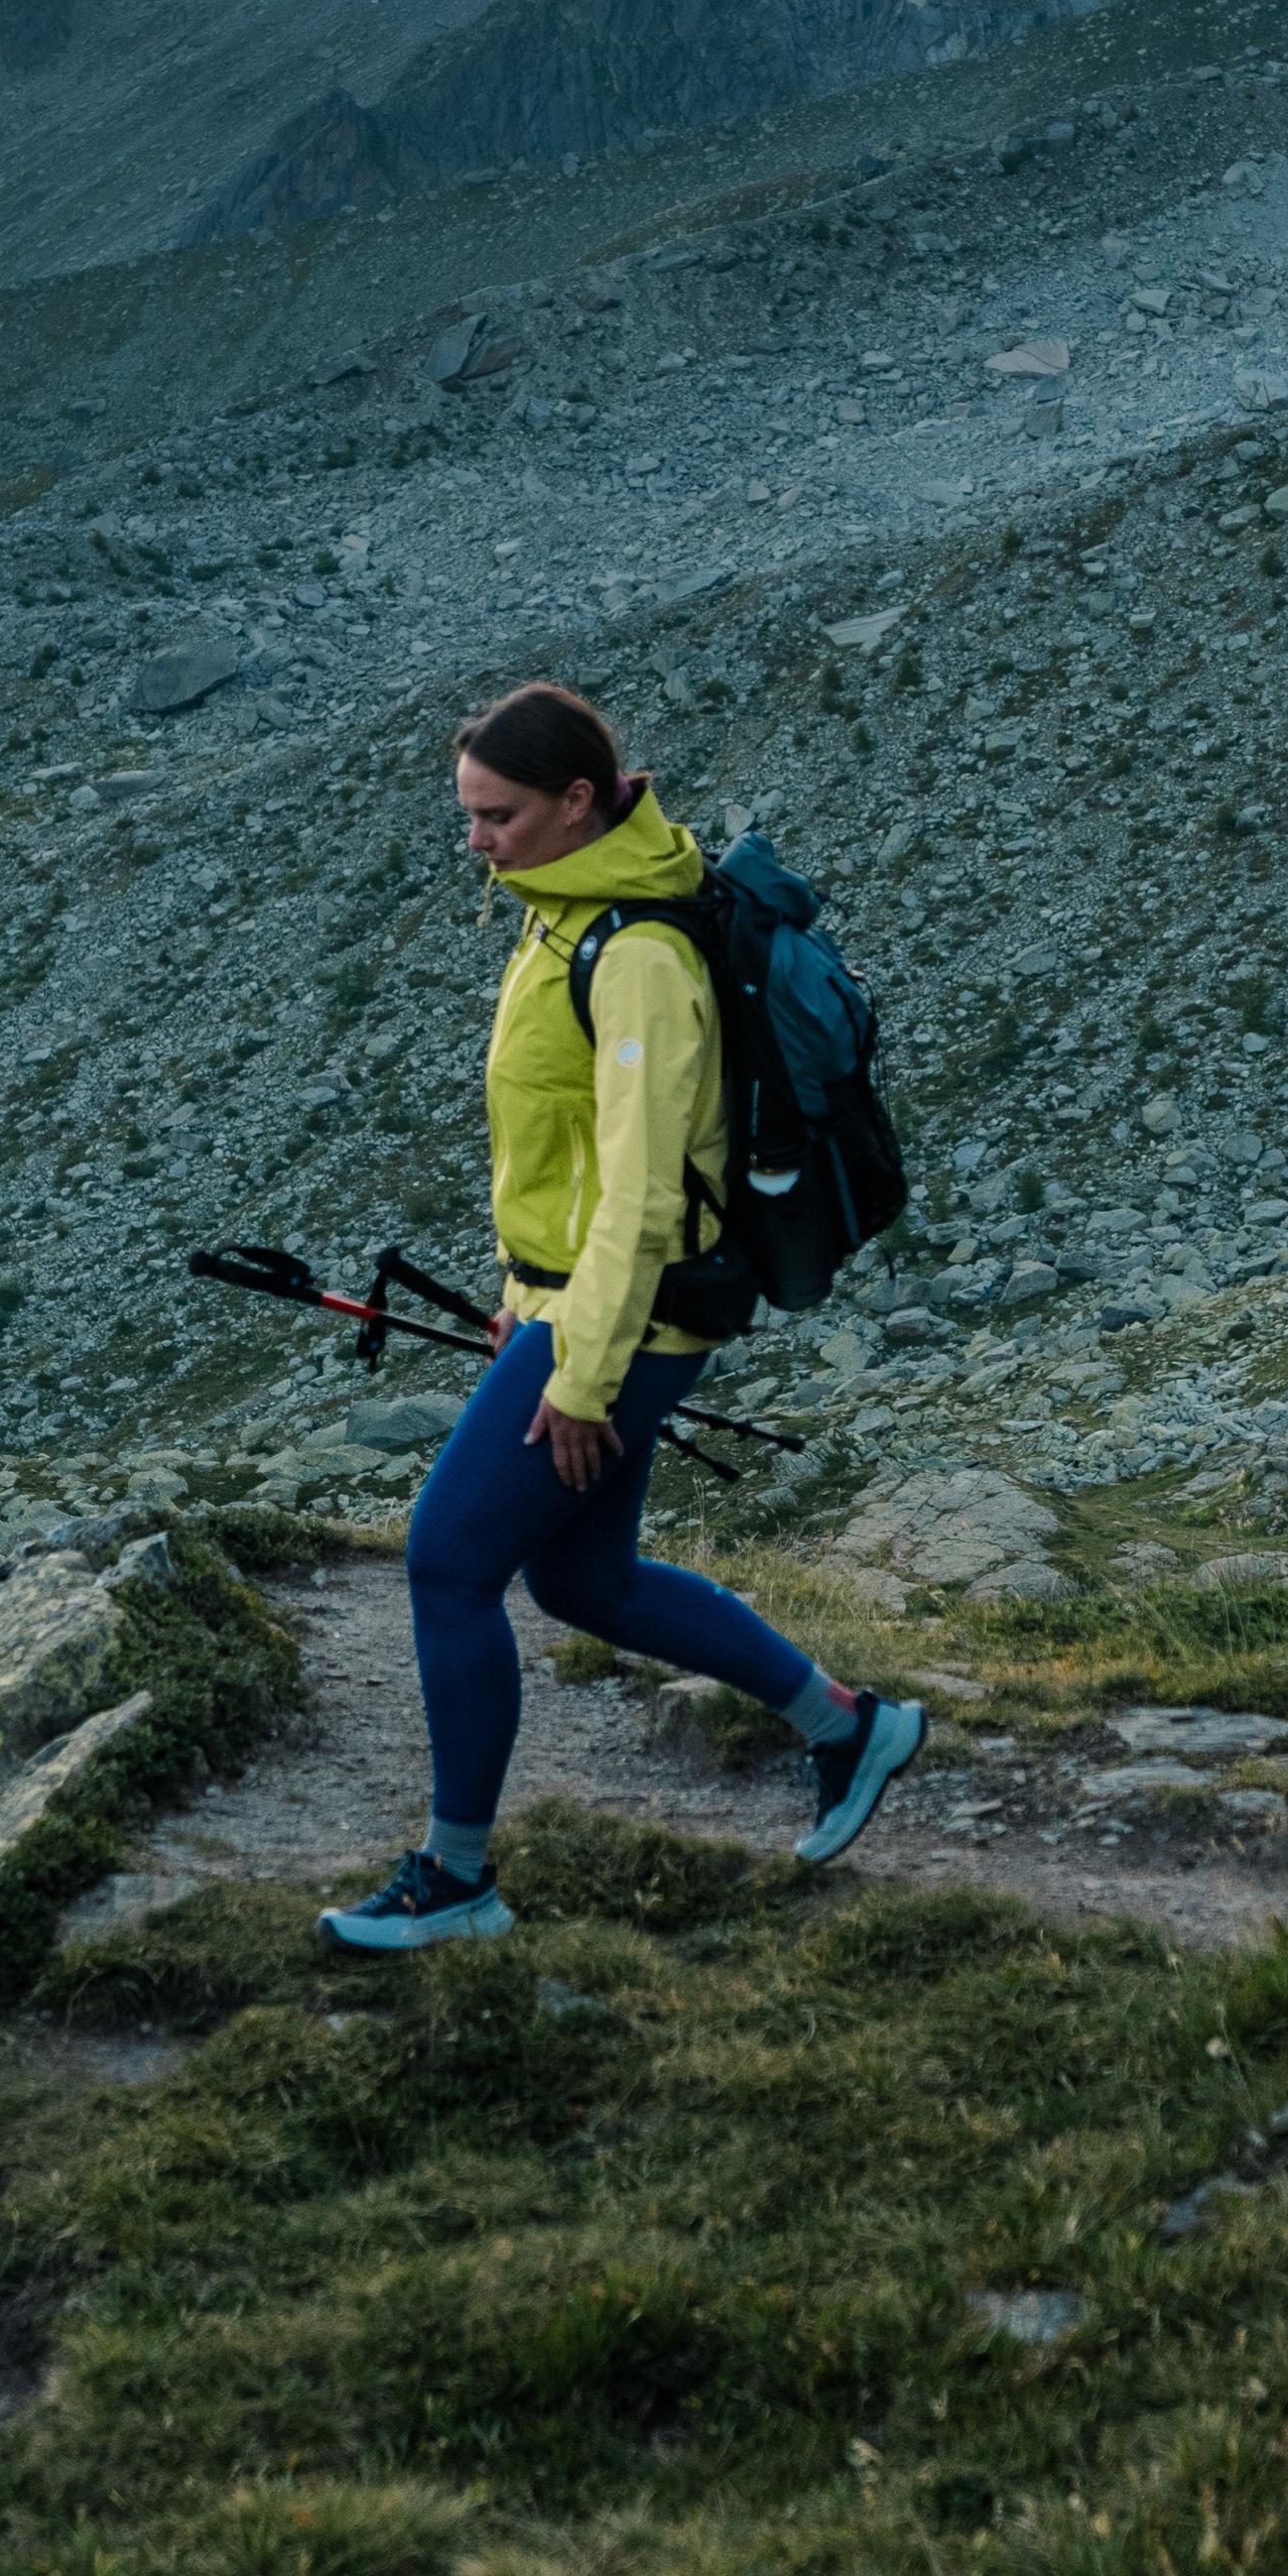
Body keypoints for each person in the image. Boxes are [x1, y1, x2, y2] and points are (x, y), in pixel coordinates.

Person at [320, 682, 924, 1952]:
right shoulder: (562, 914)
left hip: (629, 1320)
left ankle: (457, 1877)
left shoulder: (634, 951)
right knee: (583, 1578)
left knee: (445, 1562)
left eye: (498, 815)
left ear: (579, 801)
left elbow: (644, 1189)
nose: (475, 840)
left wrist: (579, 1372)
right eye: (469, 814)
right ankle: (850, 1725)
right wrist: (522, 1306)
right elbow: (566, 1161)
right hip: (582, 1307)